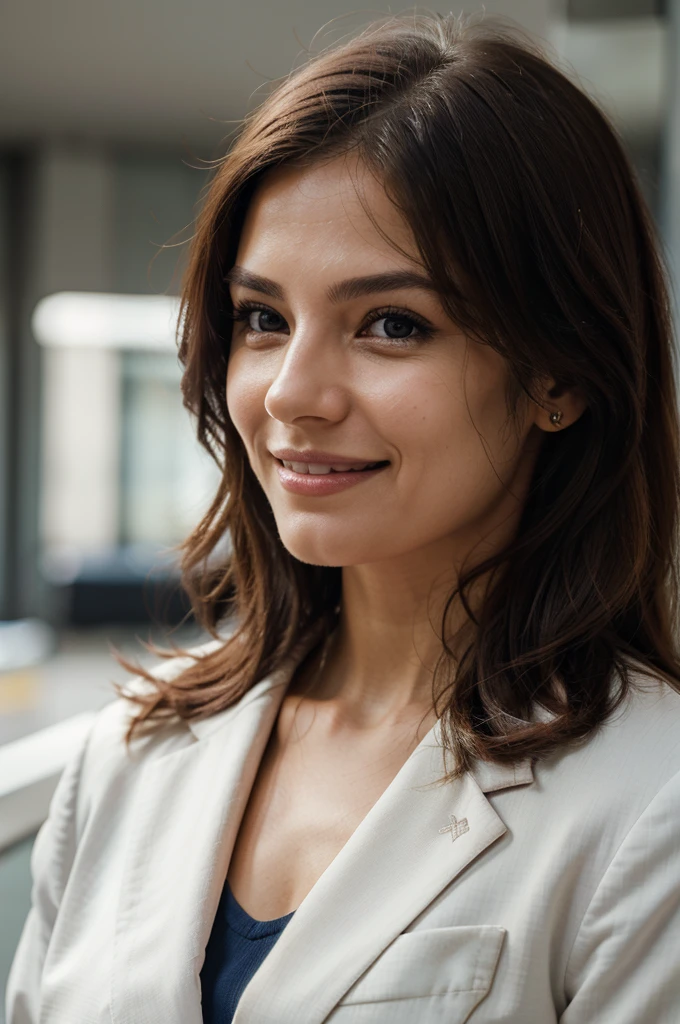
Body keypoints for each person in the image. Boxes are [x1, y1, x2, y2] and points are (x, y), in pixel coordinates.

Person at [7, 11, 680, 1024]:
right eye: (262, 319)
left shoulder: (648, 804)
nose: (290, 392)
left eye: (390, 324)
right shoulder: (131, 754)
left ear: (558, 373)